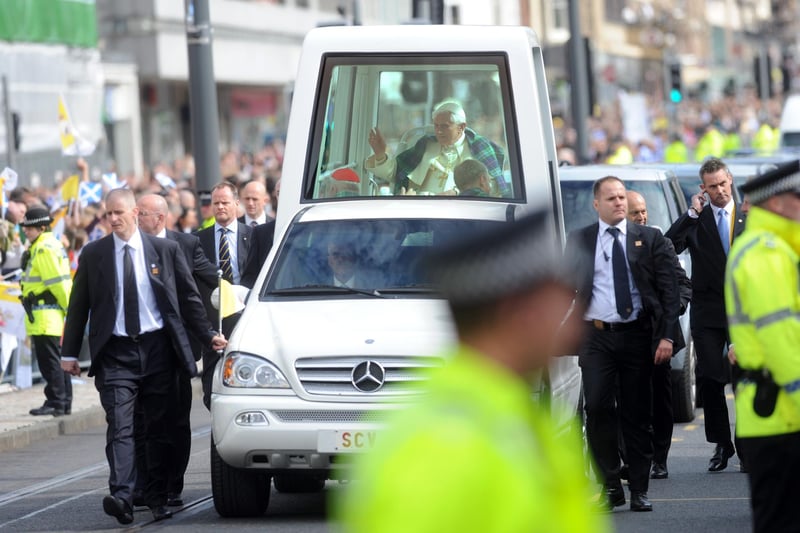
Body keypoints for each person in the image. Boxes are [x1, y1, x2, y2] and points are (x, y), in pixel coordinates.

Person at [337, 209, 608, 533]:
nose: (573, 312)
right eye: (560, 298)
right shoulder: (444, 447)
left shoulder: (510, 416)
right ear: (520, 313)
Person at [59, 188, 226, 525]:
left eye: (119, 212)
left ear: (135, 213)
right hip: (117, 354)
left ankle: (158, 496)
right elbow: (79, 306)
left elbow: (190, 300)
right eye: (109, 214)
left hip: (158, 350)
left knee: (159, 427)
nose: (113, 219)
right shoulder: (95, 254)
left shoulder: (164, 250)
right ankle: (122, 494)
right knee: (121, 425)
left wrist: (208, 335)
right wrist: (69, 353)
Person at [564, 176, 679, 512]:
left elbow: (669, 291)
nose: (618, 203)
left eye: (621, 198)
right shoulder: (581, 240)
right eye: (611, 198)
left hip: (637, 336)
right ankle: (610, 484)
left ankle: (639, 489)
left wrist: (667, 335)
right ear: (596, 204)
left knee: (636, 413)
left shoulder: (650, 238)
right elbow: (563, 288)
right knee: (597, 409)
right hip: (596, 337)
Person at [724, 160, 800, 532]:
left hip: (777, 414)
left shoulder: (775, 247)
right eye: (797, 197)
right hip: (782, 415)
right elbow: (781, 340)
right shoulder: (766, 252)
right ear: (776, 203)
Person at [134, 193, 218, 507]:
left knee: (174, 419)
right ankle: (144, 485)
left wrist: (211, 332)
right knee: (139, 420)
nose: (135, 217)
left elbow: (205, 286)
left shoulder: (185, 245)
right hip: (137, 348)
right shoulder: (126, 247)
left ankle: (172, 483)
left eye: (140, 213)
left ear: (159, 217)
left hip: (176, 347)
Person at [665, 157, 745, 472]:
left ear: (731, 182)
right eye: (712, 187)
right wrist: (691, 213)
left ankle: (747, 444)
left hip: (743, 312)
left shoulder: (748, 216)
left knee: (745, 380)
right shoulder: (697, 219)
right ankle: (722, 444)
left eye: (723, 184)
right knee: (711, 378)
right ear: (704, 189)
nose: (720, 191)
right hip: (708, 311)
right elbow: (670, 244)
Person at [626, 191, 692, 479]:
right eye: (635, 213)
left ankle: (659, 458)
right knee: (626, 400)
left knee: (659, 400)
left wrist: (672, 309)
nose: (641, 217)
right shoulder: (608, 243)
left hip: (657, 335)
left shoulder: (659, 241)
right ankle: (630, 459)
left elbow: (682, 284)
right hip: (624, 336)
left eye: (643, 211)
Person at [365, 100, 507, 196]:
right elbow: (395, 174)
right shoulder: (424, 146)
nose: (438, 131)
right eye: (436, 126)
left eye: (445, 126)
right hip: (422, 212)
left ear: (461, 127)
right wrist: (380, 154)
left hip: (463, 213)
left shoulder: (480, 148)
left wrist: (457, 193)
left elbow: (494, 187)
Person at [196, 182, 252, 408]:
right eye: (215, 203)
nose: (219, 207)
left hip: (245, 315)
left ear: (236, 204)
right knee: (212, 385)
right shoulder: (199, 239)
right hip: (214, 318)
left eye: (225, 203)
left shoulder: (254, 236)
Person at [20, 206, 73, 417]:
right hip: (47, 314)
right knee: (57, 360)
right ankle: (63, 401)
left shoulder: (43, 248)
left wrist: (71, 309)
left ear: (42, 227)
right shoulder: (48, 244)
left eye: (30, 228)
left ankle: (56, 401)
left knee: (49, 362)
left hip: (44, 315)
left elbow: (57, 283)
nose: (26, 231)